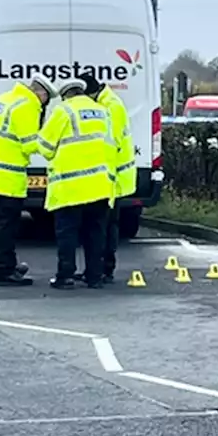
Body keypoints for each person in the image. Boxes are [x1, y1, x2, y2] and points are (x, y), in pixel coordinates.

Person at [0, 73, 58, 287]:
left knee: (1, 226)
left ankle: (8, 264)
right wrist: (53, 142)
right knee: (8, 227)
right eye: (46, 99)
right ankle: (5, 272)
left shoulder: (3, 100)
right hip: (8, 178)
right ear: (41, 93)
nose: (44, 104)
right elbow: (29, 144)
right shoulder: (28, 106)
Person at [34, 78, 117, 290]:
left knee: (67, 234)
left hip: (69, 186)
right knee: (95, 233)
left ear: (64, 95)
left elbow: (44, 146)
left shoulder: (63, 111)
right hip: (99, 184)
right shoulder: (102, 111)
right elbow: (111, 145)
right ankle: (94, 277)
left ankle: (66, 276)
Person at [79, 72, 133, 284]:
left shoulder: (110, 106)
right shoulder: (107, 102)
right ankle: (98, 268)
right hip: (110, 174)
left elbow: (110, 143)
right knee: (103, 225)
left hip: (114, 175)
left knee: (107, 225)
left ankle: (105, 268)